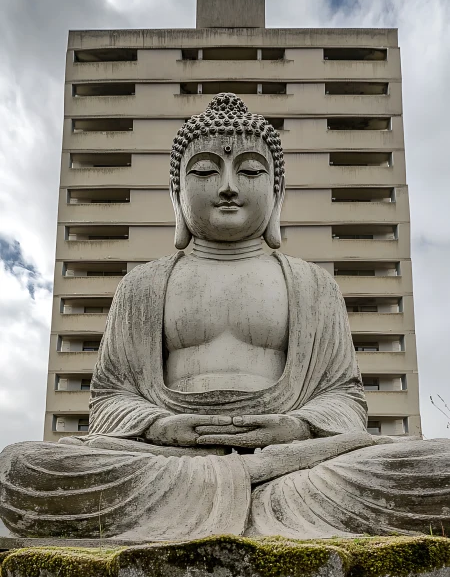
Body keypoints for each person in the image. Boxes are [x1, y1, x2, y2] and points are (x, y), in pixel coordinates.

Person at [1, 94, 449, 541]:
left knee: (437, 467)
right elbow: (109, 398)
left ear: (277, 192)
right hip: (165, 461)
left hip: (292, 462)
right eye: (205, 171)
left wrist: (297, 427)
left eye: (251, 171)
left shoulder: (314, 286)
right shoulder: (141, 287)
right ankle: (256, 506)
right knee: (22, 466)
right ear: (177, 193)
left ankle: (231, 502)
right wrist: (159, 425)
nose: (229, 186)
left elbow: (345, 399)